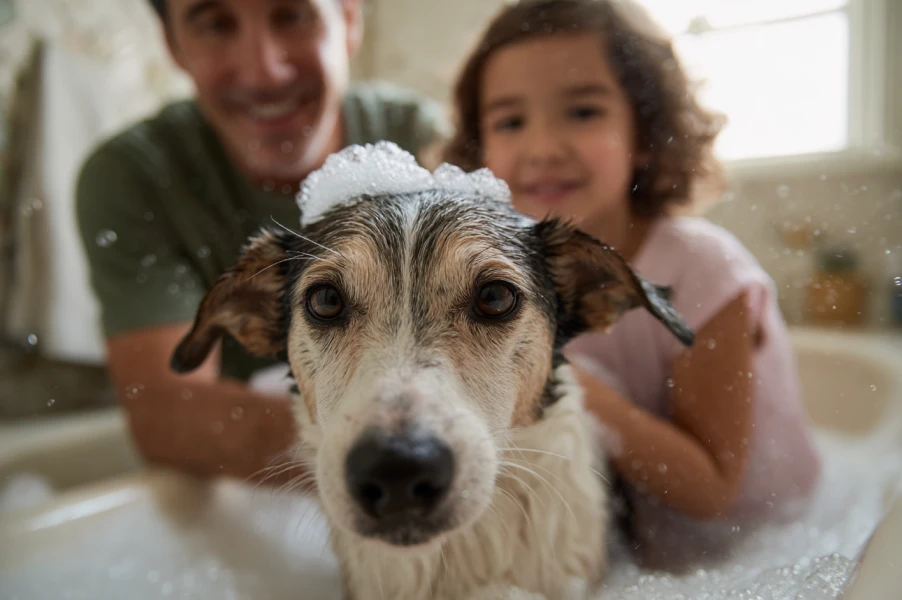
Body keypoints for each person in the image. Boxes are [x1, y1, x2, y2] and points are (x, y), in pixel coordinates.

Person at [443, 0, 822, 565]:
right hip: (637, 546)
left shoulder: (702, 270)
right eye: (510, 121)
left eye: (582, 112)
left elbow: (713, 490)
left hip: (765, 549)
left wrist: (564, 381)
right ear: (479, 150)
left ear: (645, 132)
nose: (543, 148)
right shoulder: (508, 283)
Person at [76, 0, 447, 484]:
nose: (264, 71)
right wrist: (383, 462)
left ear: (350, 20)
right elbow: (169, 414)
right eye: (214, 24)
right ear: (173, 45)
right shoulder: (136, 177)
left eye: (292, 14)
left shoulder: (426, 148)